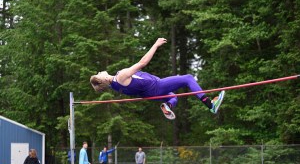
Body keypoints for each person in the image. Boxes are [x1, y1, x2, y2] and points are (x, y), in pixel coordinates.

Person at [90, 38, 225, 120]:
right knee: (188, 78)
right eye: (99, 74)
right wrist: (155, 45)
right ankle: (210, 105)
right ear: (103, 79)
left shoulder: (114, 86)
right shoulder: (120, 76)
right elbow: (142, 63)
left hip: (149, 93)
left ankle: (168, 106)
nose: (100, 71)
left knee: (173, 97)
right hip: (156, 86)